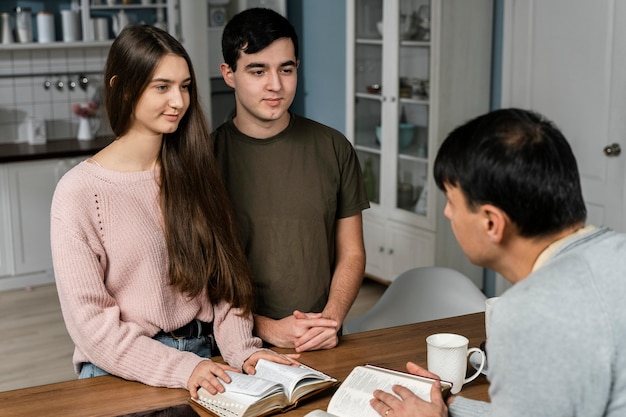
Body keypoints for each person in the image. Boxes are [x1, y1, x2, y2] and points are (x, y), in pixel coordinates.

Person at [50, 25, 296, 399]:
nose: (179, 101)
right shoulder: (79, 192)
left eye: (184, 86)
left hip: (206, 358)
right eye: (161, 86)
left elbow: (226, 285)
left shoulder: (195, 172)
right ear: (123, 87)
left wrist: (246, 352)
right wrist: (184, 368)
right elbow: (91, 327)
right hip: (118, 371)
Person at [370, 108, 626, 416]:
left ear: (491, 223)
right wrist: (449, 406)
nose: (447, 213)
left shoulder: (529, 313)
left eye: (452, 201)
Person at [213, 8, 370, 352]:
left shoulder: (333, 147)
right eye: (258, 70)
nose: (276, 85)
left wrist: (329, 321)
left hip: (321, 341)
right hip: (233, 347)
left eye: (286, 69)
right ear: (229, 74)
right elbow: (198, 276)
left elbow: (352, 253)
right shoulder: (205, 160)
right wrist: (266, 328)